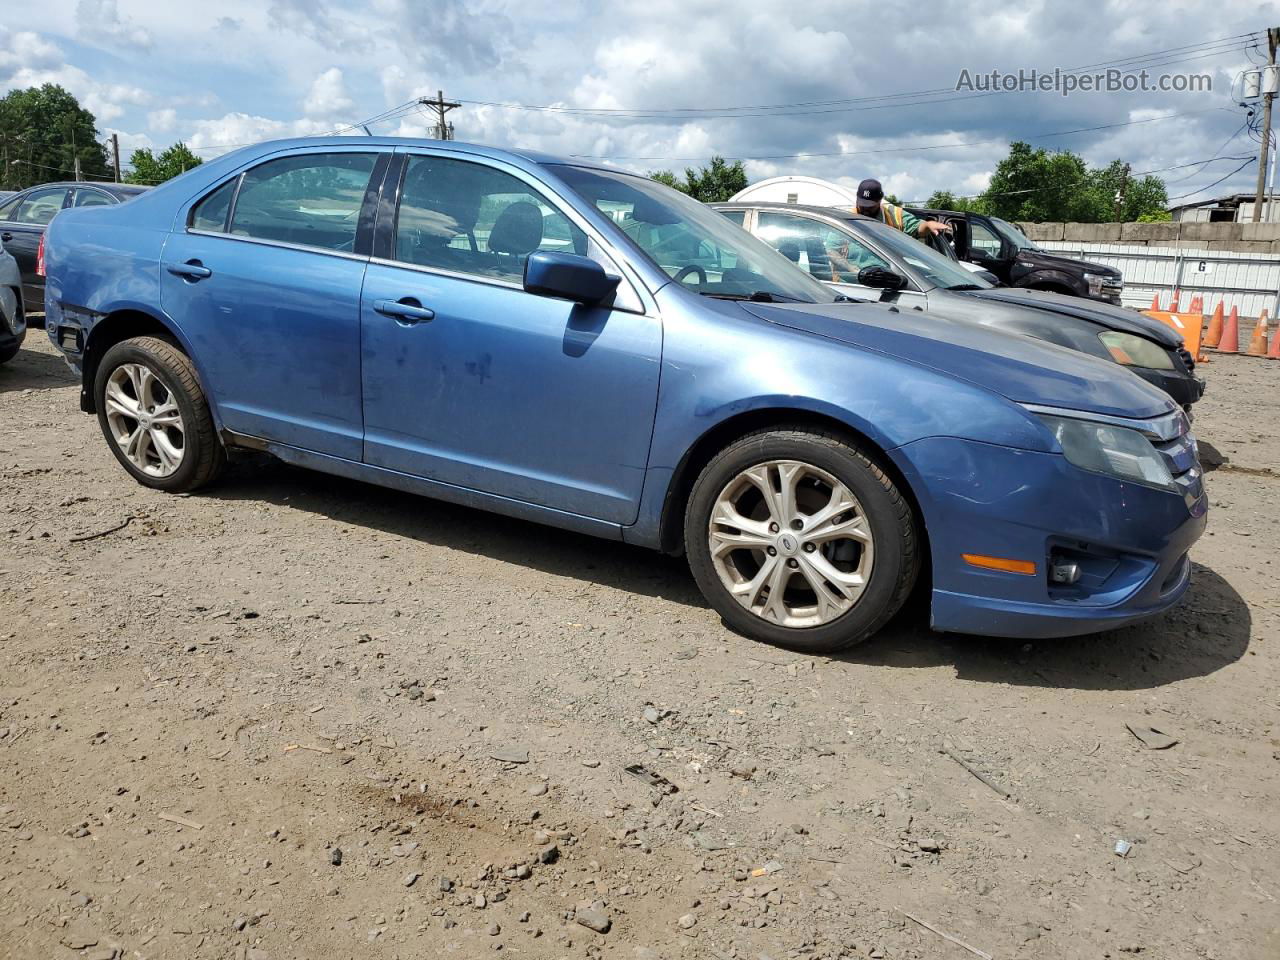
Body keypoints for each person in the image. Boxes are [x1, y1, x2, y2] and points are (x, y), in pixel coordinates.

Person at [855, 179, 950, 240]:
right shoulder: (847, 219)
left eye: (870, 206)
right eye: (862, 205)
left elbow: (917, 227)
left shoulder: (894, 215)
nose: (865, 210)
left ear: (880, 201)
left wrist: (928, 225)